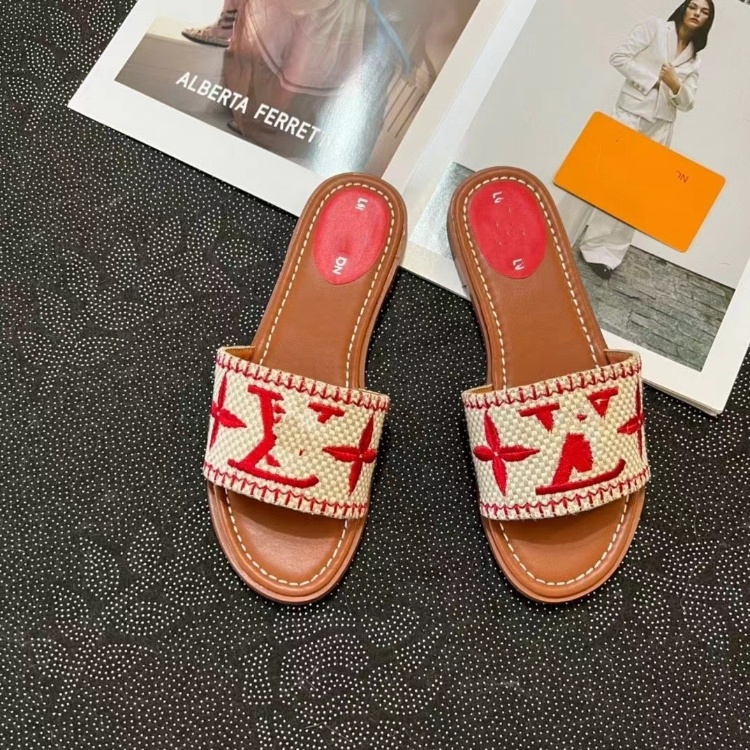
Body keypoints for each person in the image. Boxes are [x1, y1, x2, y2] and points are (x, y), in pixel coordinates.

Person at [579, 0, 715, 279]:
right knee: (603, 179)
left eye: (704, 12)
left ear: (707, 21)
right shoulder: (655, 28)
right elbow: (619, 57)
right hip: (629, 115)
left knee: (634, 194)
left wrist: (675, 83)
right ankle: (573, 235)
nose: (697, 13)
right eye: (693, 7)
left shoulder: (695, 59)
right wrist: (654, 80)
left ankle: (607, 254)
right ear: (684, 8)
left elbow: (688, 103)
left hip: (660, 127)